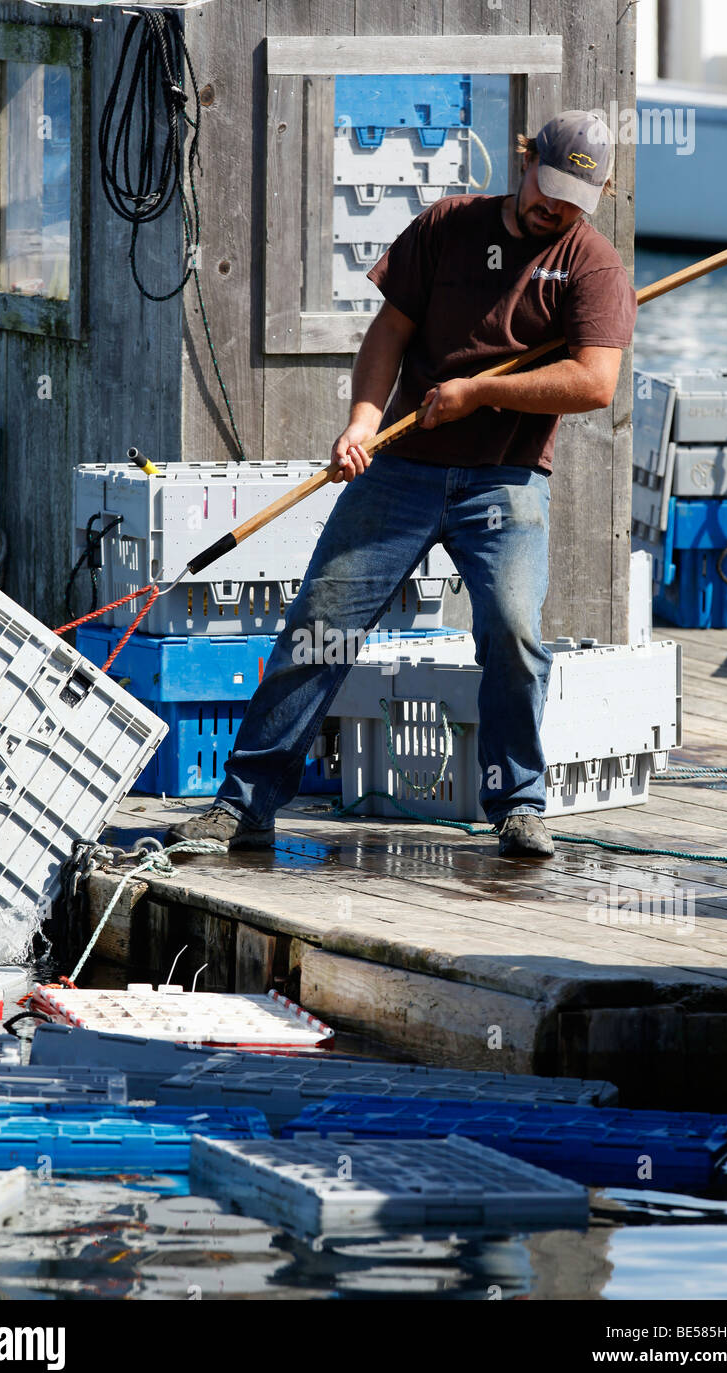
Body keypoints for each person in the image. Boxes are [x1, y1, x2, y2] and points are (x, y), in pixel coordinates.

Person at [168, 110, 637, 859]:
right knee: (320, 624)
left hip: (505, 481)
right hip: (403, 465)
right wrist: (360, 421)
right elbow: (388, 332)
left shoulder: (593, 265)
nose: (553, 210)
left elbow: (594, 382)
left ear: (599, 193)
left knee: (512, 631)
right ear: (524, 162)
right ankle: (245, 805)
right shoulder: (448, 224)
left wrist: (479, 393)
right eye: (545, 190)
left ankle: (517, 804)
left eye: (572, 202)